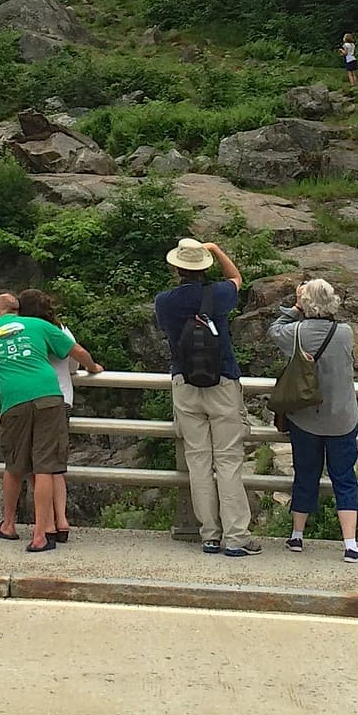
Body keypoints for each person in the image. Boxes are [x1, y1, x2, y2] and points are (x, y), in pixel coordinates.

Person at [153, 237, 260, 559]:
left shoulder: (164, 302)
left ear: (176, 268)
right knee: (227, 461)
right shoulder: (219, 294)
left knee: (198, 461)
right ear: (203, 267)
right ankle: (237, 537)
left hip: (185, 383)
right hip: (223, 381)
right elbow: (237, 278)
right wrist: (214, 249)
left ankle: (209, 535)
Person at [0, 291, 99, 552]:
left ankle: (8, 526)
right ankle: (39, 536)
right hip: (49, 397)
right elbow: (78, 352)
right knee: (45, 466)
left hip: (14, 400)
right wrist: (93, 368)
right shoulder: (40, 325)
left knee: (14, 465)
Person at [269, 277, 358, 563]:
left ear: (305, 303)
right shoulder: (346, 332)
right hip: (342, 418)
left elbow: (274, 330)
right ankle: (350, 545)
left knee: (305, 475)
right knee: (345, 479)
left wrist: (295, 306)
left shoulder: (296, 333)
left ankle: (297, 536)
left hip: (306, 419)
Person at [17, 288, 103, 543]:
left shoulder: (23, 331)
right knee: (53, 466)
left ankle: (49, 523)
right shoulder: (59, 329)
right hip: (61, 398)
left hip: (29, 398)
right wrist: (93, 367)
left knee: (37, 466)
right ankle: (61, 521)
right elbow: (75, 360)